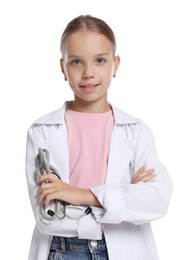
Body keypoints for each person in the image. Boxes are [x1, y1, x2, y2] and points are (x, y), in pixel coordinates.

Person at [26, 15, 173, 260]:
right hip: (62, 251)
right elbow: (48, 219)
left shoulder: (137, 130)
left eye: (100, 60)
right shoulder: (42, 131)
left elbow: (157, 201)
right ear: (63, 67)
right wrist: (124, 196)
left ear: (115, 65)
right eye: (76, 62)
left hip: (127, 251)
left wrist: (78, 194)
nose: (88, 73)